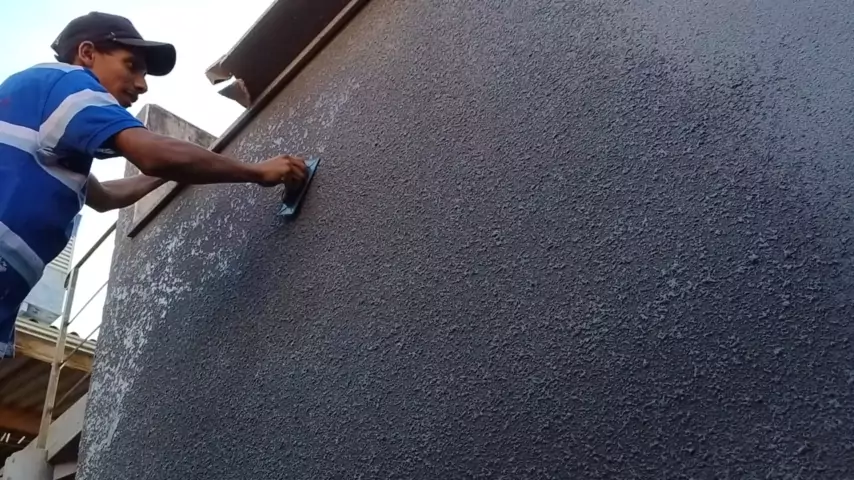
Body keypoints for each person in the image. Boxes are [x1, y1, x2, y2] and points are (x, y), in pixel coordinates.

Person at [0, 12, 308, 358]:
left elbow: (106, 196)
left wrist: (178, 169)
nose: (142, 84)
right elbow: (151, 153)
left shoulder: (42, 126)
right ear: (87, 53)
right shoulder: (68, 82)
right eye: (131, 65)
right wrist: (257, 171)